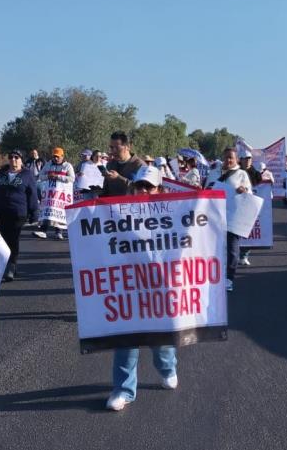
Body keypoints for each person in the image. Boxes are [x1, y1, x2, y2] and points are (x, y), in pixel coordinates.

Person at [105, 164, 178, 411]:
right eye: (140, 185)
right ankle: (123, 389)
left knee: (161, 341)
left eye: (149, 186)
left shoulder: (173, 215)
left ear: (159, 189)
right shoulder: (119, 213)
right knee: (127, 340)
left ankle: (168, 367)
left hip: (159, 287)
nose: (143, 190)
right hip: (129, 285)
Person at [0, 150, 38, 282]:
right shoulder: (1, 174)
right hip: (2, 212)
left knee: (13, 239)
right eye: (11, 157)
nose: (13, 160)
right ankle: (6, 264)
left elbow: (32, 194)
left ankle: (12, 265)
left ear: (21, 160)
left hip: (18, 212)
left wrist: (34, 212)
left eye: (17, 157)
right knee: (3, 240)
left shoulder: (27, 175)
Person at [210, 147, 251, 292]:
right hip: (215, 216)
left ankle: (229, 278)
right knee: (216, 247)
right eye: (226, 157)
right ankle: (217, 275)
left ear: (236, 160)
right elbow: (207, 188)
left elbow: (249, 195)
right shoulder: (215, 172)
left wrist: (244, 191)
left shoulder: (241, 175)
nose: (228, 160)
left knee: (232, 249)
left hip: (233, 217)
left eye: (231, 158)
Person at [33, 147, 75, 240]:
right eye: (54, 156)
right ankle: (43, 231)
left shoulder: (67, 166)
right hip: (50, 193)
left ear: (62, 156)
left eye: (58, 157)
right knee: (49, 210)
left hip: (62, 195)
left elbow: (72, 178)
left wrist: (58, 177)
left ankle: (58, 232)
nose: (56, 158)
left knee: (59, 212)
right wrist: (48, 176)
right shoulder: (48, 164)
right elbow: (41, 176)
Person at [237, 150, 262, 267]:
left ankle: (244, 255)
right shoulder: (235, 172)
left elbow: (261, 182)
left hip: (249, 205)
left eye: (249, 159)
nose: (247, 161)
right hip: (236, 205)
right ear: (240, 160)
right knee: (236, 231)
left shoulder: (254, 173)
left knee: (247, 232)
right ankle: (236, 254)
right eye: (245, 159)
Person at [103, 131, 143, 197]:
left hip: (131, 206)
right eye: (111, 147)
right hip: (112, 206)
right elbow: (107, 190)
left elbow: (143, 191)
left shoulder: (140, 165)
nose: (113, 151)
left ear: (128, 146)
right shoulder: (110, 164)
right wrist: (99, 191)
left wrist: (119, 178)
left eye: (117, 148)